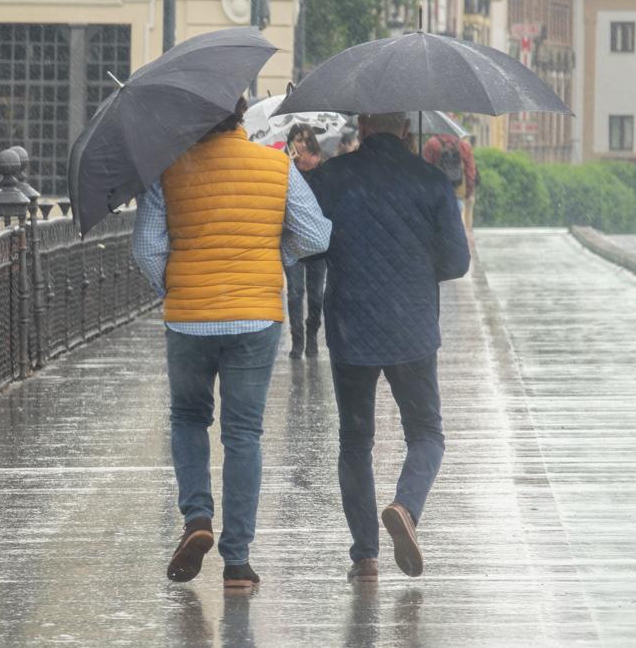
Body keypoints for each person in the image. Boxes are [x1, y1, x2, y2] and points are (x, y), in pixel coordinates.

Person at [132, 96, 331, 589]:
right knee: (243, 434)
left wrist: (172, 285)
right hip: (255, 317)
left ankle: (197, 517)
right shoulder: (274, 165)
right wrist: (271, 251)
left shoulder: (168, 170)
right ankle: (237, 562)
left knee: (188, 419)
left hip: (189, 318)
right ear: (241, 116)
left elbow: (146, 246)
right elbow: (316, 236)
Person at [305, 112, 469, 583]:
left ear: (361, 123)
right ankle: (405, 507)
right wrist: (415, 268)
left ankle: (365, 556)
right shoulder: (431, 179)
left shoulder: (329, 178)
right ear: (405, 127)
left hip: (351, 325)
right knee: (427, 433)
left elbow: (310, 247)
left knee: (355, 442)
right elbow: (457, 261)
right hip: (412, 328)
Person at [284, 124, 327, 359]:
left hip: (317, 242)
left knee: (316, 295)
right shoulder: (283, 167)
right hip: (292, 240)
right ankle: (297, 340)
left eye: (306, 139)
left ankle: (312, 334)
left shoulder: (321, 167)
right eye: (297, 139)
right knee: (294, 292)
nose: (301, 144)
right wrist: (287, 166)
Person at [422, 132, 477, 237]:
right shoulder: (464, 145)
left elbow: (425, 172)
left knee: (436, 232)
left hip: (436, 196)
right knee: (456, 231)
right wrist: (468, 193)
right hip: (457, 194)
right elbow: (470, 172)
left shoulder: (431, 144)